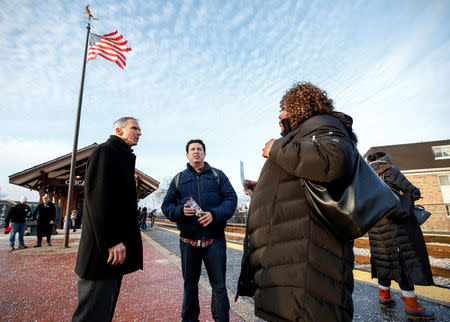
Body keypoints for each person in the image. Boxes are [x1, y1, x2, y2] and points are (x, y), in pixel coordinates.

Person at [236, 82, 357, 321]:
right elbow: (300, 185)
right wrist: (261, 190)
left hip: (306, 262)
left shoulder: (322, 125)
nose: (279, 115)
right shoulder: (301, 137)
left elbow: (333, 161)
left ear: (299, 106)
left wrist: (276, 148)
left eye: (283, 108)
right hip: (289, 258)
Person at [72, 117, 143, 322]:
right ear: (118, 130)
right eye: (134, 128)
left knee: (102, 312)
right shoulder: (106, 152)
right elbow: (97, 199)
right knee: (92, 313)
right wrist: (111, 240)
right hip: (101, 254)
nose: (139, 133)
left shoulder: (121, 156)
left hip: (111, 256)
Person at [162, 139, 237, 322]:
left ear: (204, 153)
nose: (196, 152)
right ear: (187, 155)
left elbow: (231, 199)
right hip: (188, 241)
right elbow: (167, 206)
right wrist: (180, 211)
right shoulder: (179, 179)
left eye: (199, 149)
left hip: (215, 239)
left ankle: (221, 319)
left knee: (218, 285)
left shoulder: (218, 175)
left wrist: (214, 214)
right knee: (190, 285)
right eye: (192, 149)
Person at [367, 152, 435, 320]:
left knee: (383, 260)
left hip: (376, 226)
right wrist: (407, 198)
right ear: (387, 161)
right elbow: (414, 192)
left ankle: (384, 297)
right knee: (402, 262)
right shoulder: (391, 172)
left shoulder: (365, 178)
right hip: (397, 226)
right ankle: (412, 306)